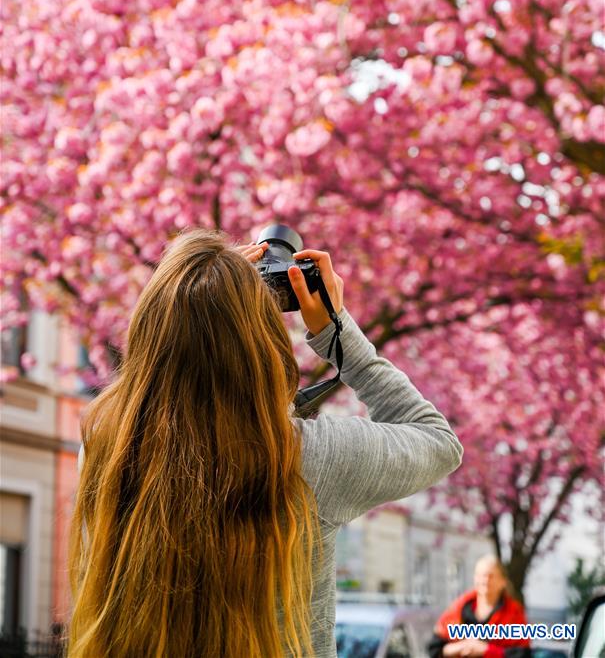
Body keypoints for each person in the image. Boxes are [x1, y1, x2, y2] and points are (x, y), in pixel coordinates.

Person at [68, 228, 463, 658]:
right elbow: (437, 439)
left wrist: (205, 279)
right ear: (261, 344)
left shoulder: (108, 445)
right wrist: (337, 333)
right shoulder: (304, 457)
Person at [427, 555, 531, 658]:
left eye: (491, 576)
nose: (485, 580)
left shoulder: (514, 613)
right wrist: (461, 647)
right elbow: (434, 648)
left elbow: (521, 654)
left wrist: (486, 650)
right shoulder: (459, 607)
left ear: (503, 582)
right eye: (480, 575)